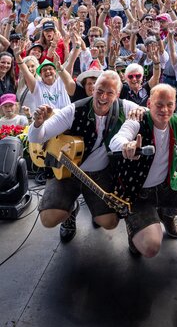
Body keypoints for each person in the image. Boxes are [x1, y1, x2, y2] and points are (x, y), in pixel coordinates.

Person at [27, 71, 143, 242]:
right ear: (93, 89)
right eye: (100, 90)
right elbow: (37, 137)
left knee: (109, 222)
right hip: (66, 171)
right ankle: (70, 212)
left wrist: (141, 109)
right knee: (48, 218)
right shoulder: (74, 110)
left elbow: (149, 114)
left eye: (110, 93)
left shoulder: (125, 107)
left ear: (117, 94)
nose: (103, 96)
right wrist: (37, 124)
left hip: (99, 174)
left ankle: (94, 209)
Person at [109, 84, 177, 258]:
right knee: (150, 248)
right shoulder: (137, 120)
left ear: (176, 104)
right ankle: (135, 231)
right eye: (159, 104)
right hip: (138, 192)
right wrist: (125, 145)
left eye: (169, 104)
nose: (165, 110)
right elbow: (117, 139)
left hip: (167, 184)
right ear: (149, 103)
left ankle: (168, 214)